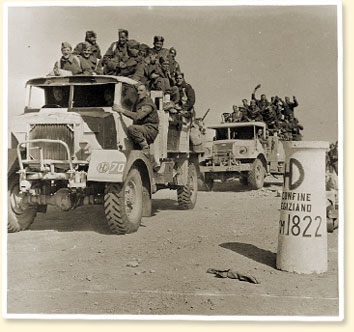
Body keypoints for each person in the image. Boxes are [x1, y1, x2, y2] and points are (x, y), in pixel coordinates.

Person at [112, 84, 159, 154]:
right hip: (142, 129)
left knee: (132, 129)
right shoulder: (139, 102)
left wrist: (121, 110)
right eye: (137, 91)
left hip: (150, 129)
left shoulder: (148, 104)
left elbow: (137, 116)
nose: (138, 92)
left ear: (147, 92)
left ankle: (145, 147)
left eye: (141, 90)